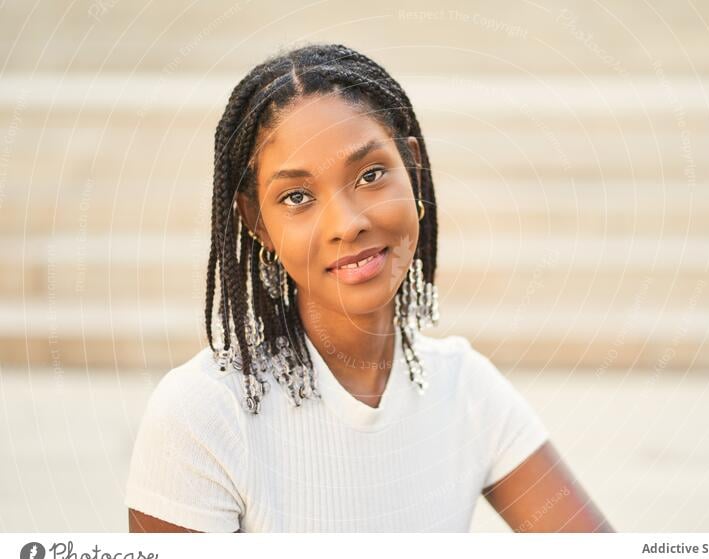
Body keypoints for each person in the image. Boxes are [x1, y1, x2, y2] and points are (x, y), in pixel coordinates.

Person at [124, 42, 613, 533]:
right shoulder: (205, 414)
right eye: (297, 197)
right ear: (259, 224)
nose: (348, 223)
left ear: (413, 170)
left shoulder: (465, 389)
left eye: (371, 174)